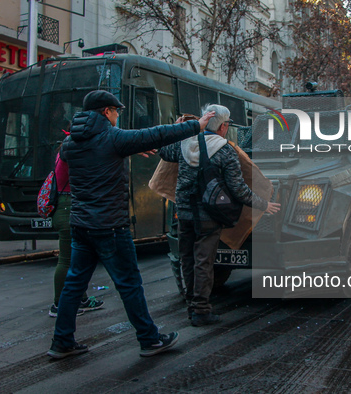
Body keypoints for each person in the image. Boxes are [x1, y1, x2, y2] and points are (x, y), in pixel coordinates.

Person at [47, 90, 214, 359]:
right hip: (110, 226)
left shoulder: (71, 145)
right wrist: (196, 125)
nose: (117, 116)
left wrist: (128, 148)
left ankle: (61, 341)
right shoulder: (113, 138)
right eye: (116, 111)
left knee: (74, 284)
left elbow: (99, 155)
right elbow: (156, 134)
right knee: (129, 284)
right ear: (106, 112)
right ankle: (149, 339)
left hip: (81, 225)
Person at [160, 104, 281, 327]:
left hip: (185, 213)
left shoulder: (184, 143)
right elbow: (239, 189)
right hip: (209, 215)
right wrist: (263, 205)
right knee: (204, 261)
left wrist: (175, 130)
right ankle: (201, 310)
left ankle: (191, 304)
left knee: (187, 258)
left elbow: (163, 151)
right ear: (223, 126)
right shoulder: (226, 151)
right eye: (227, 125)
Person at [49, 153, 104, 317]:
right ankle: (58, 304)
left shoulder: (63, 151)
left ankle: (81, 299)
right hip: (68, 207)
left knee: (77, 258)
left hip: (65, 205)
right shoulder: (71, 149)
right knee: (66, 260)